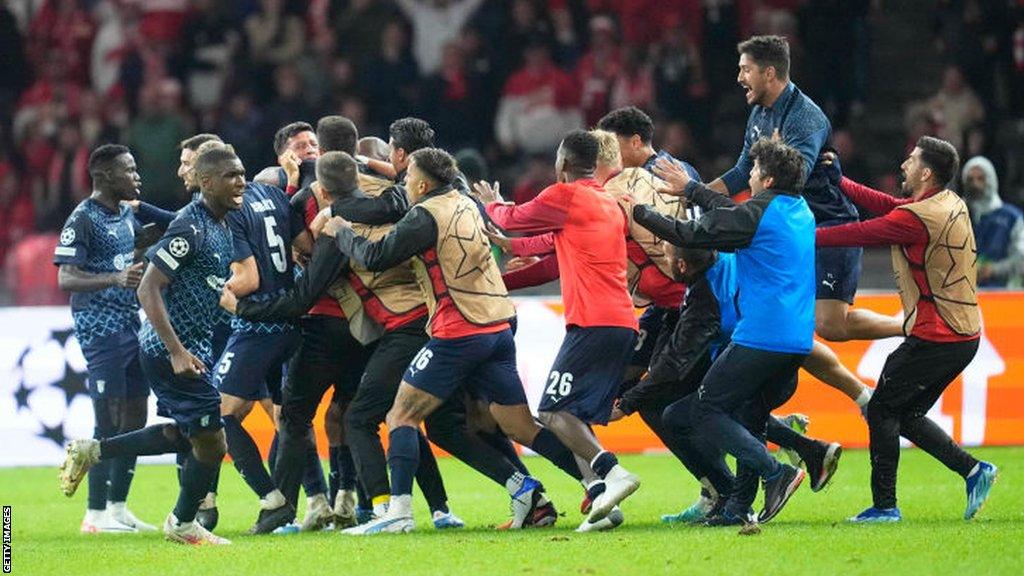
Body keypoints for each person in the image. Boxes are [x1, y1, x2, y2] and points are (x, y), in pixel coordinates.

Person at [330, 148, 584, 535]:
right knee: (516, 425)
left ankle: (397, 513)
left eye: (407, 177)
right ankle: (595, 480)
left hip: (458, 330)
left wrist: (341, 232)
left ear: (420, 182)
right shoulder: (465, 201)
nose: (404, 184)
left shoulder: (425, 214)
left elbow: (378, 255)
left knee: (402, 415)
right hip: (498, 327)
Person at [59, 146, 245, 546]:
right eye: (232, 175)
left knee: (187, 433)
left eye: (242, 173)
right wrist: (176, 350)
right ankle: (180, 523)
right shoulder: (192, 226)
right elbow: (148, 286)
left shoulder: (221, 225)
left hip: (189, 346)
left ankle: (94, 451)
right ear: (207, 182)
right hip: (167, 348)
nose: (241, 181)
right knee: (213, 442)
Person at [628, 139, 817, 529]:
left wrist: (638, 213)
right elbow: (738, 212)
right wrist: (692, 189)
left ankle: (775, 471)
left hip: (762, 336)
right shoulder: (796, 210)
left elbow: (690, 234)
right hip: (798, 338)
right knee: (748, 418)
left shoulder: (758, 216)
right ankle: (736, 508)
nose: (746, 176)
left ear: (765, 177)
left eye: (751, 170)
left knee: (702, 410)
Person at [694, 35, 890, 412]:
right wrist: (694, 193)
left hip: (828, 227)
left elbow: (790, 180)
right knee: (787, 327)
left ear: (769, 73)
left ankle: (909, 325)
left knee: (830, 325)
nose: (739, 78)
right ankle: (858, 397)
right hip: (787, 234)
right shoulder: (760, 114)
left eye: (745, 69)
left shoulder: (806, 117)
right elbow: (740, 173)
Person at [817, 137, 998, 523]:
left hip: (937, 335)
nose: (904, 164)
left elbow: (861, 232)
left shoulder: (915, 218)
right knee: (906, 413)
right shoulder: (948, 203)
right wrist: (842, 183)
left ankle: (885, 507)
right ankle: (973, 470)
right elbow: (894, 208)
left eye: (912, 160)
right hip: (962, 334)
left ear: (926, 173)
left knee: (881, 407)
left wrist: (799, 239)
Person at [481, 131, 641, 530]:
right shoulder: (606, 202)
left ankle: (611, 473)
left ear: (563, 163)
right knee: (572, 414)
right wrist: (509, 264)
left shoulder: (564, 195)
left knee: (552, 411)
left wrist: (492, 206)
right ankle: (603, 498)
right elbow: (553, 254)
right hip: (620, 322)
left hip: (593, 321)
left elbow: (512, 218)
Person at [53, 144, 153, 534]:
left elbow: (132, 253)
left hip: (131, 322)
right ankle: (94, 514)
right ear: (106, 177)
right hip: (99, 328)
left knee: (136, 415)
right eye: (129, 170)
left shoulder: (126, 213)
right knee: (108, 417)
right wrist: (114, 278)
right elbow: (66, 278)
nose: (136, 176)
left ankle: (118, 506)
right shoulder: (83, 218)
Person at [962, 156, 1024, 288]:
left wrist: (994, 269)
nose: (975, 184)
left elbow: (1021, 258)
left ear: (991, 180)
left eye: (980, 178)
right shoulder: (956, 215)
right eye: (970, 179)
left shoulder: (1011, 218)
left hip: (1001, 293)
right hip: (962, 294)